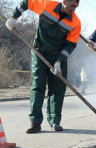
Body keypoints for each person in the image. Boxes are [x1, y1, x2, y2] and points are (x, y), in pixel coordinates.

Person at [5, 0, 81, 133]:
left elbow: (70, 45)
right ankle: (35, 122)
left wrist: (59, 62)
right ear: (64, 2)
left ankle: (55, 121)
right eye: (72, 6)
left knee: (57, 89)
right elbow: (27, 2)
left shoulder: (75, 23)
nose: (74, 9)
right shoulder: (47, 5)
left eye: (76, 7)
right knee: (37, 86)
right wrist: (14, 17)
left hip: (58, 57)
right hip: (39, 52)